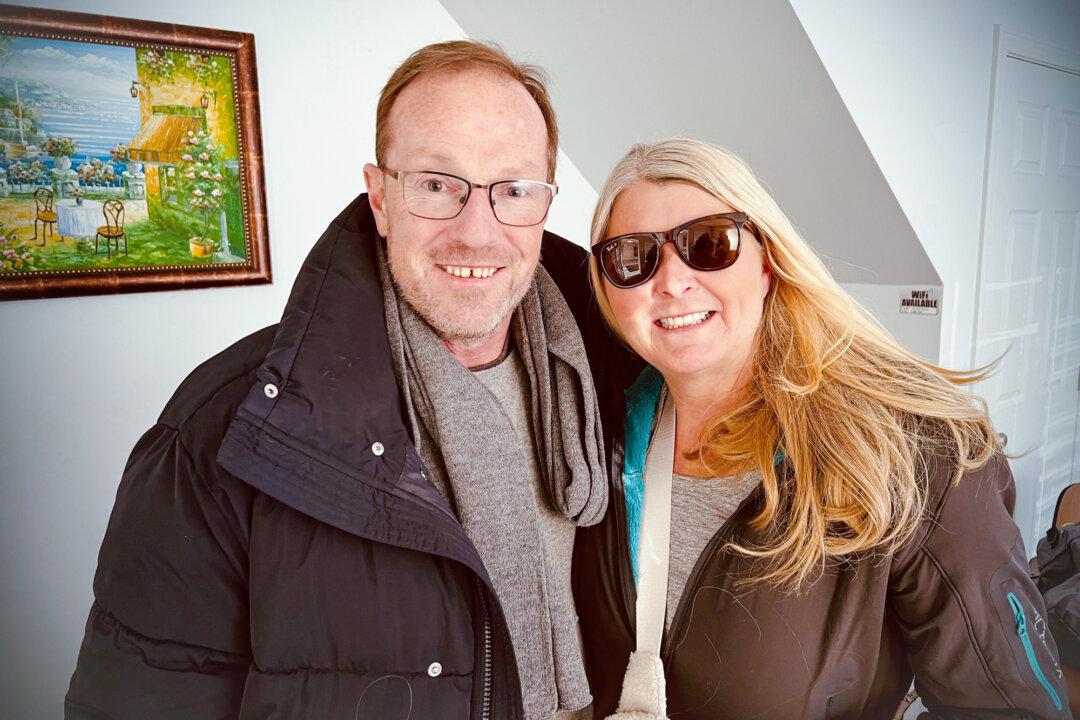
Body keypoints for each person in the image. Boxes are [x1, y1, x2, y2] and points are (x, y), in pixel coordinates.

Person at [65, 41, 618, 720]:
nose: (478, 231)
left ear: (543, 202)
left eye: (512, 189)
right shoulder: (227, 426)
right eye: (437, 185)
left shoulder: (609, 372)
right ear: (382, 198)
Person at [572, 138, 1072, 719]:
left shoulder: (914, 454)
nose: (671, 281)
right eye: (632, 258)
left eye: (710, 245)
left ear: (767, 260)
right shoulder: (595, 431)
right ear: (607, 286)